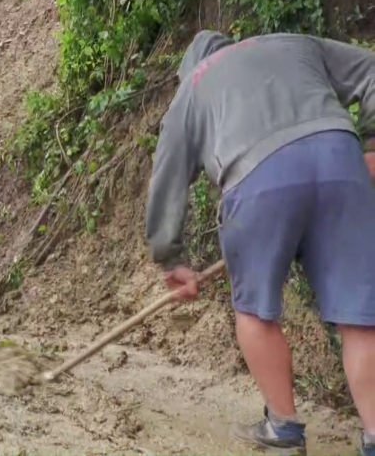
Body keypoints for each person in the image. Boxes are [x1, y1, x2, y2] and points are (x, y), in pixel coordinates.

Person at [146, 30, 375, 456]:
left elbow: (168, 176)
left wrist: (171, 257)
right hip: (340, 159)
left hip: (258, 176)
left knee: (254, 309)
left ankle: (284, 430)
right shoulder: (293, 43)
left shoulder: (193, 88)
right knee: (361, 315)